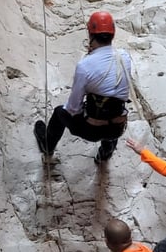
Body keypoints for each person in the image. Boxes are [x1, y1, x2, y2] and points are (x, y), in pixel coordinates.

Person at [34, 10, 131, 164]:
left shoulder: (84, 66)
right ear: (113, 33)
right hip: (117, 128)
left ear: (90, 34)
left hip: (91, 131)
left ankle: (47, 147)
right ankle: (105, 154)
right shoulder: (124, 57)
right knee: (113, 112)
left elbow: (73, 107)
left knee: (60, 112)